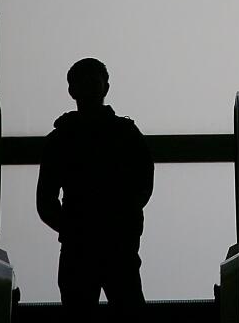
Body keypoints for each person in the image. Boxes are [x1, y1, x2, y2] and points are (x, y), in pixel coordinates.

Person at [37, 58, 154, 321]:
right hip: (116, 241)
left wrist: (71, 227)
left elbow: (46, 201)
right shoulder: (126, 134)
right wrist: (125, 217)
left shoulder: (60, 140)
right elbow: (144, 183)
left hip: (80, 245)